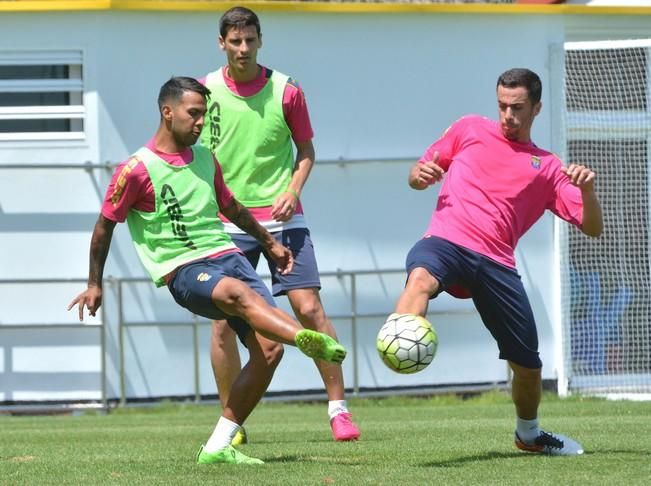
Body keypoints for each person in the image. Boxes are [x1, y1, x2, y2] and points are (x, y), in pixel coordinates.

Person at [67, 76, 347, 465]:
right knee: (237, 294)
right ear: (168, 112)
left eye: (203, 115)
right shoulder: (134, 170)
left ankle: (219, 444)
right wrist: (94, 283)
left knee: (268, 351)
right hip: (184, 269)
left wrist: (269, 243)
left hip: (226, 255)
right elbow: (104, 227)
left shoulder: (204, 159)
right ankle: (305, 336)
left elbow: (231, 209)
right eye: (193, 113)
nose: (200, 123)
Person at [394, 68, 603, 456]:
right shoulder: (468, 128)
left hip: (496, 263)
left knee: (528, 366)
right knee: (420, 277)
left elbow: (592, 228)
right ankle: (398, 342)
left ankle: (529, 434)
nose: (508, 115)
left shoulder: (549, 168)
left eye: (518, 107)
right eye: (502, 106)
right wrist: (416, 176)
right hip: (446, 240)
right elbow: (418, 172)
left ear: (536, 108)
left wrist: (587, 192)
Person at [198, 6, 360, 443]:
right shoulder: (204, 91)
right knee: (220, 324)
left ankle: (338, 409)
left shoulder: (286, 90)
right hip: (225, 223)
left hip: (283, 217)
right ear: (222, 44)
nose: (243, 48)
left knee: (307, 308)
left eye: (250, 40)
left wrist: (292, 189)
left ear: (260, 40)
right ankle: (231, 423)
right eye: (235, 41)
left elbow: (306, 152)